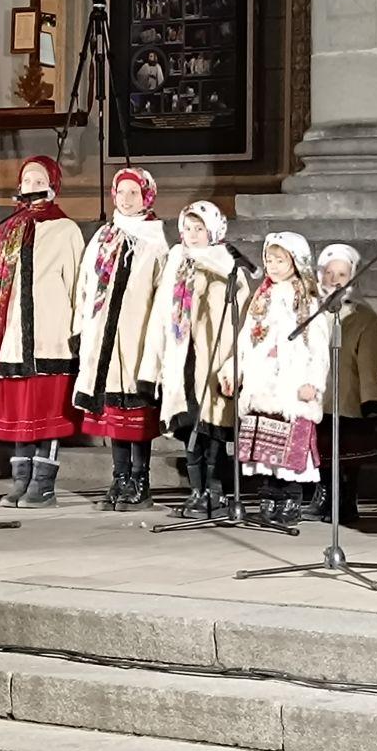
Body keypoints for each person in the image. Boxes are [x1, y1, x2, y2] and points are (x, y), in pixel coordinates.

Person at [0, 155, 86, 508]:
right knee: (20, 414)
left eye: (40, 179)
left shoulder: (66, 229)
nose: (33, 185)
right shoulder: (5, 233)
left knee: (48, 413)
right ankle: (20, 479)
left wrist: (78, 329)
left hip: (51, 337)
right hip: (13, 338)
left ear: (53, 185)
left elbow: (78, 284)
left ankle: (43, 484)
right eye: (27, 180)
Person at [140, 201, 245, 518]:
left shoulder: (229, 266)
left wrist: (233, 366)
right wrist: (152, 366)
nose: (192, 234)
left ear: (213, 230)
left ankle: (216, 493)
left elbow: (242, 321)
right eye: (187, 228)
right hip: (182, 358)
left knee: (212, 429)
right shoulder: (177, 261)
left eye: (199, 228)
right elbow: (162, 314)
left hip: (213, 362)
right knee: (189, 428)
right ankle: (197, 492)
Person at [73, 167, 169, 509]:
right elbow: (86, 285)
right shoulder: (103, 237)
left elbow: (162, 295)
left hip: (136, 338)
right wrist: (81, 328)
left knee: (137, 413)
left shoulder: (155, 241)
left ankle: (141, 480)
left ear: (147, 197)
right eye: (121, 192)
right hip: (105, 340)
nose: (126, 199)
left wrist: (157, 344)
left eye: (134, 193)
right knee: (114, 411)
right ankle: (120, 477)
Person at [222, 233, 329, 528]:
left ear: (295, 262)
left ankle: (291, 498)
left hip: (293, 382)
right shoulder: (262, 297)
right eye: (269, 260)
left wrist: (313, 382)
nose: (272, 266)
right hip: (262, 379)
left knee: (289, 446)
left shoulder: (307, 300)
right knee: (265, 450)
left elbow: (319, 346)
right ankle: (268, 496)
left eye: (280, 260)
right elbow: (246, 339)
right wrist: (234, 370)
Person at [316, 243, 377, 526]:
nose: (334, 280)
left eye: (342, 274)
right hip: (317, 397)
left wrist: (371, 397)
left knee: (348, 454)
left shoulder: (363, 318)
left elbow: (370, 361)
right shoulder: (311, 312)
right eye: (329, 273)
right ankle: (325, 495)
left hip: (347, 397)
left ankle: (347, 498)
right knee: (322, 451)